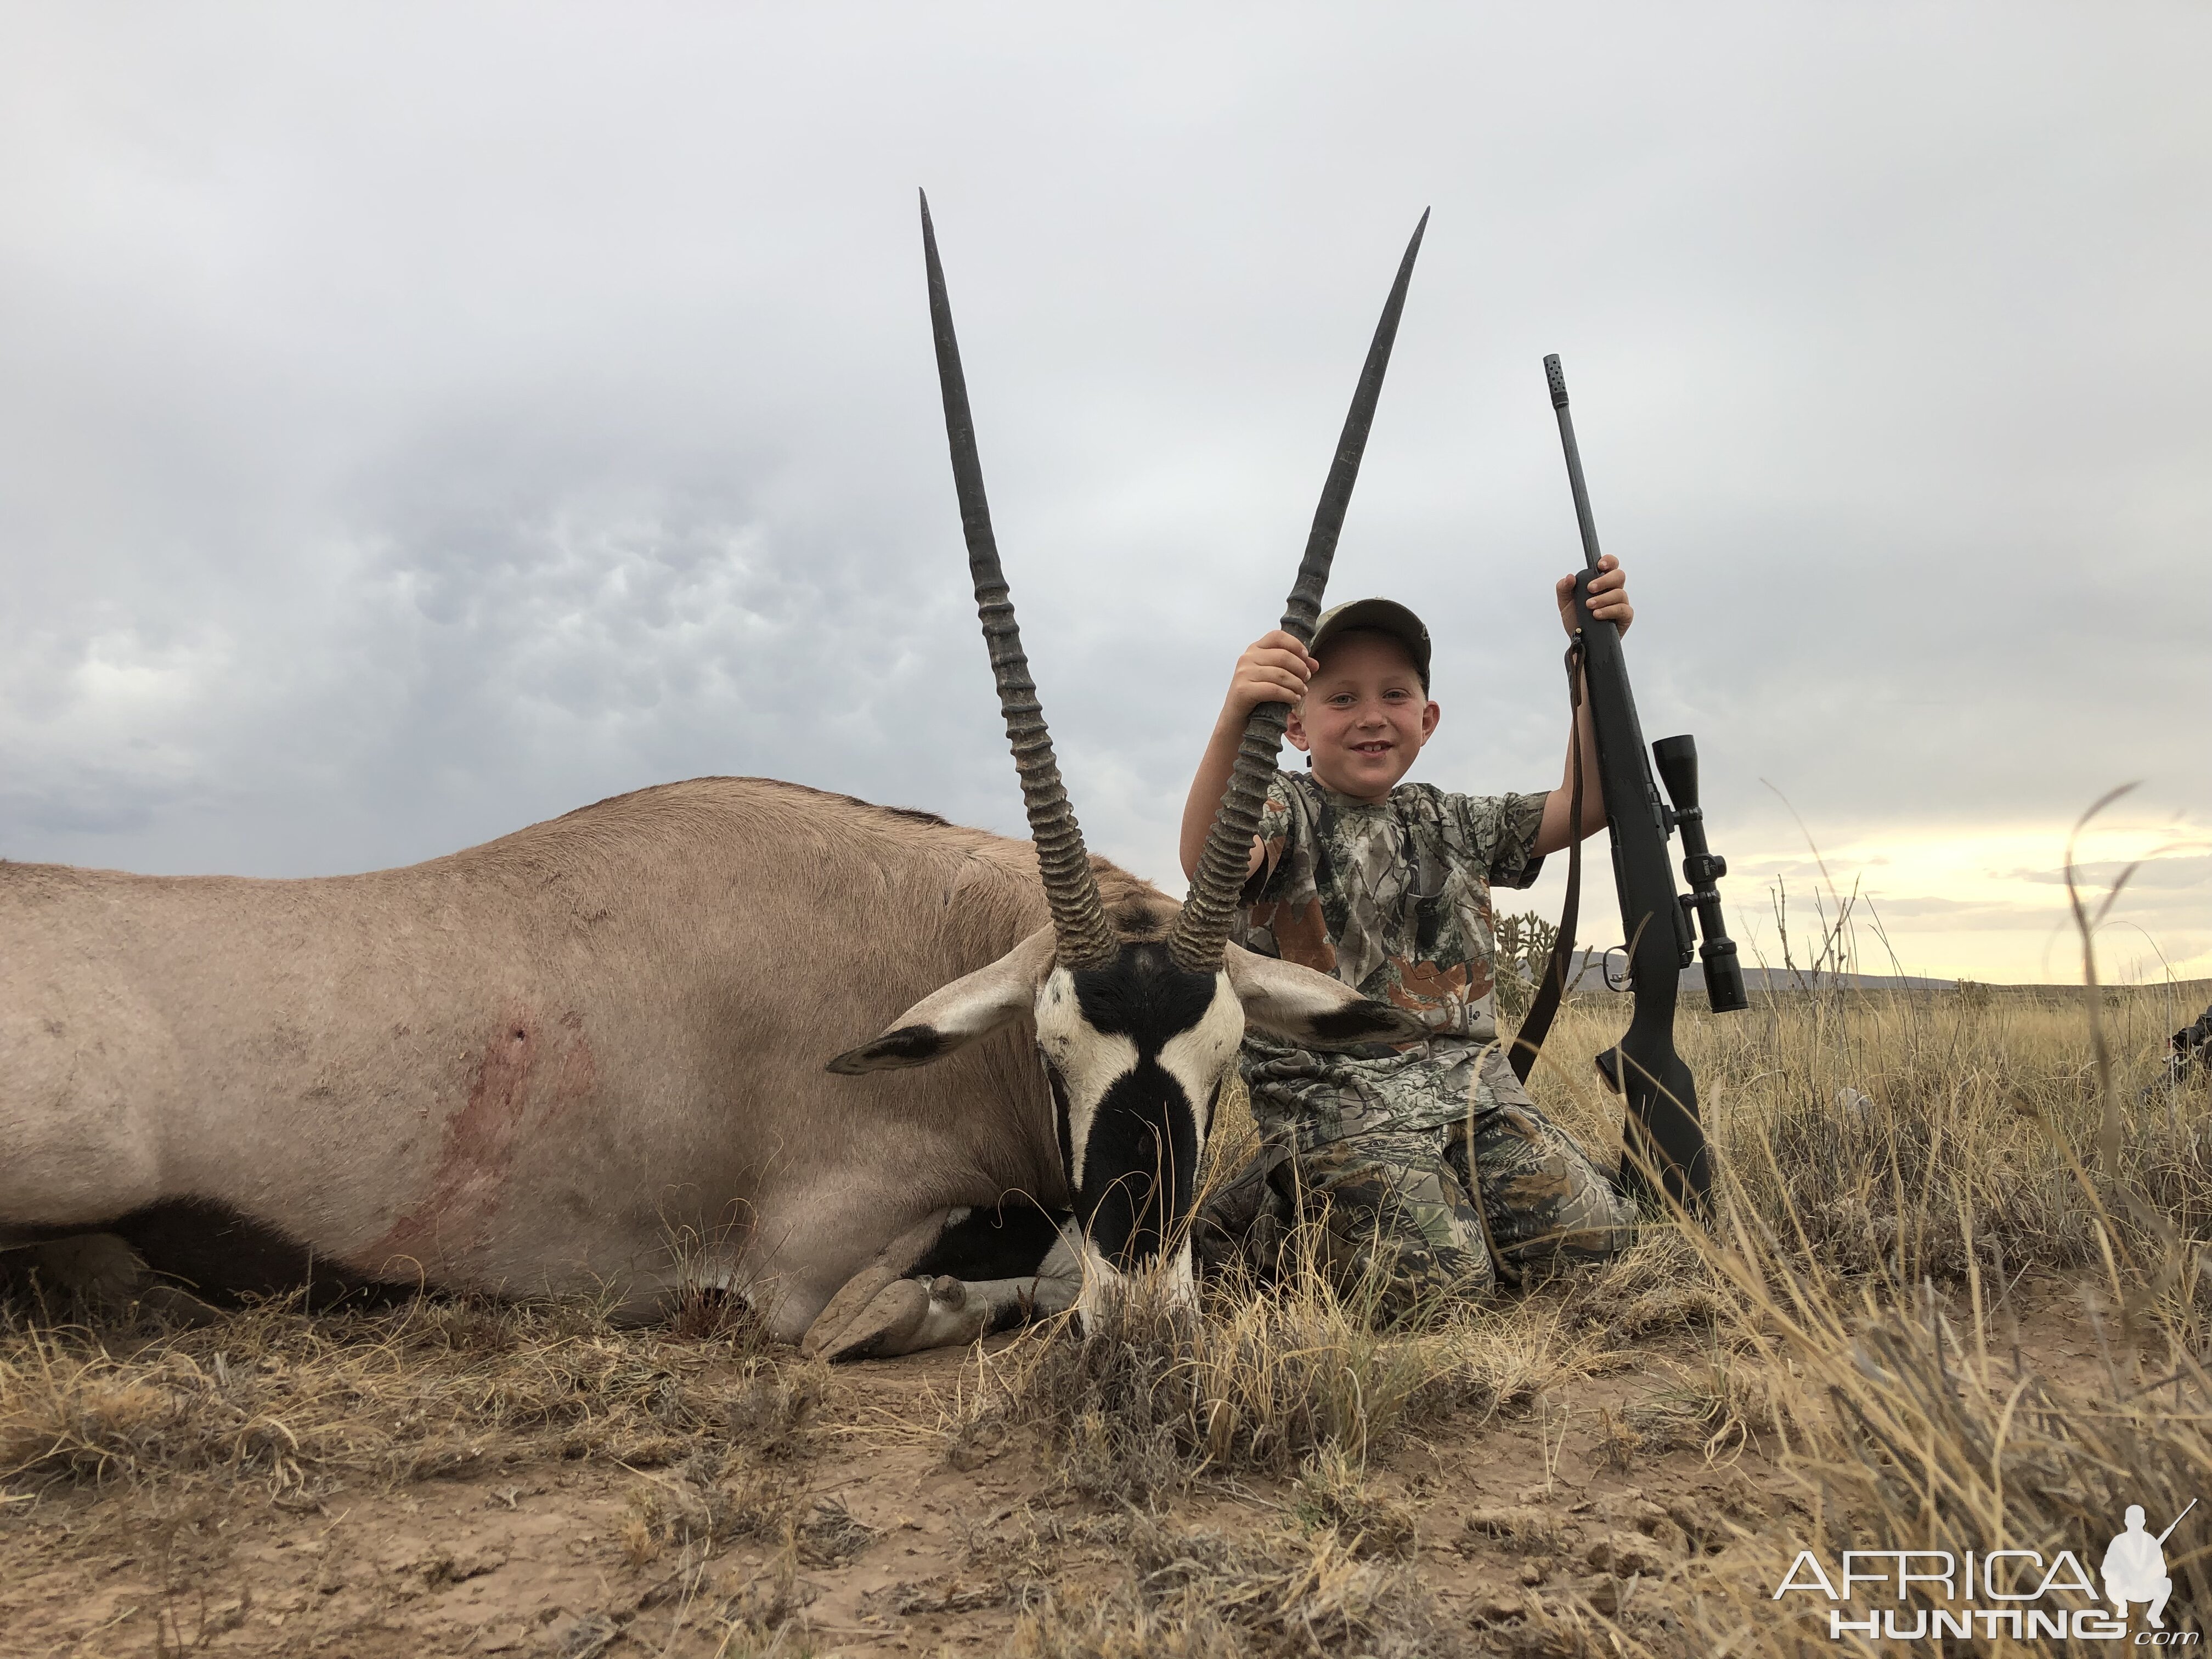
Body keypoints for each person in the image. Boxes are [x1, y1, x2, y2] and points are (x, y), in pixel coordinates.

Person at [1180, 557, 1639, 1321]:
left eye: (1396, 695)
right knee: (1437, 1292)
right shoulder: (1281, 807)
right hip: (1336, 1101)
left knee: (1599, 1245)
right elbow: (1209, 866)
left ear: (1427, 720)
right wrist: (1235, 718)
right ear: (1295, 724)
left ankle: (1409, 1200)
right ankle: (1260, 1220)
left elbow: (1583, 804)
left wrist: (1594, 656)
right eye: (1342, 698)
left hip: (1475, 1096)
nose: (1372, 715)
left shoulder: (1453, 819)